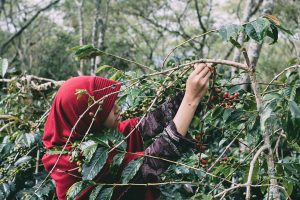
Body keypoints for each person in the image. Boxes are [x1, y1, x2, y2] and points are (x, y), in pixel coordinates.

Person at [42, 63, 212, 200]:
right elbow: (153, 160)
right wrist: (191, 99)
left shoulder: (92, 138)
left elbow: (145, 125)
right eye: (110, 106)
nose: (118, 110)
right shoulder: (78, 161)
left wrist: (190, 90)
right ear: (90, 116)